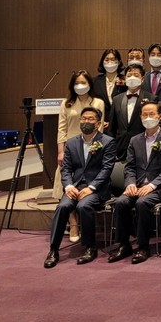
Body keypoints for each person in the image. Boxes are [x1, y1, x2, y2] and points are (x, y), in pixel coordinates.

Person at [44, 107, 116, 268]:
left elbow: (106, 169)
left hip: (96, 189)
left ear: (98, 123)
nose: (86, 122)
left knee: (84, 206)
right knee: (62, 207)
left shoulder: (107, 142)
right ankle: (53, 249)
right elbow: (66, 169)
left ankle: (90, 247)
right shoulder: (71, 142)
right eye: (83, 119)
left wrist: (91, 187)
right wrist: (68, 186)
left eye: (90, 119)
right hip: (75, 187)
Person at [108, 101, 161, 264]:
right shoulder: (134, 140)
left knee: (142, 203)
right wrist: (130, 183)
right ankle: (124, 245)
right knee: (120, 202)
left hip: (160, 188)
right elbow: (129, 166)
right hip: (137, 186)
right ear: (140, 117)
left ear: (159, 116)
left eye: (151, 114)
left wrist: (152, 185)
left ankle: (143, 246)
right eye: (144, 114)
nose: (148, 117)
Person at [55, 70, 106, 241]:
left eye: (83, 82)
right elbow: (61, 129)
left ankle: (85, 222)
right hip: (70, 148)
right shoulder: (66, 103)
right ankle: (73, 222)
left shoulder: (98, 102)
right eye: (77, 83)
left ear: (90, 84)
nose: (80, 86)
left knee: (86, 182)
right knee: (67, 185)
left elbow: (100, 127)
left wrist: (97, 148)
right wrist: (61, 151)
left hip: (92, 146)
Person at [107, 64, 155, 161]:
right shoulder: (117, 99)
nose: (132, 77)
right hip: (120, 149)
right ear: (125, 78)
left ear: (142, 79)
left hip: (143, 148)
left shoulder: (151, 98)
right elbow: (112, 128)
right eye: (129, 75)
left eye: (136, 75)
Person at [90, 48, 126, 124]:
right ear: (102, 62)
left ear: (119, 62)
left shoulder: (125, 80)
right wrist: (100, 121)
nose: (110, 62)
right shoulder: (94, 81)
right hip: (101, 123)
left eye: (113, 59)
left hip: (121, 123)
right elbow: (91, 103)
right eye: (107, 60)